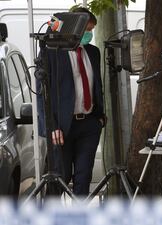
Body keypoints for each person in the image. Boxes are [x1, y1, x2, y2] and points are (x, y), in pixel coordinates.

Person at [37, 7, 105, 196]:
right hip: (62, 128)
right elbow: (43, 94)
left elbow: (96, 85)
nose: (89, 35)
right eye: (86, 31)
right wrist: (51, 126)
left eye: (92, 31)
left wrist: (99, 117)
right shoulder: (50, 52)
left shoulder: (93, 52)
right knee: (60, 177)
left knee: (83, 177)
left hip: (90, 124)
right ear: (74, 28)